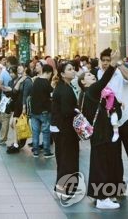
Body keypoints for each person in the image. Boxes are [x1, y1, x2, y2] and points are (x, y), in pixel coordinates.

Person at [98, 48, 128, 203]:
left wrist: (117, 63)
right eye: (103, 60)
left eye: (108, 60)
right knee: (114, 156)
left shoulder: (121, 70)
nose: (105, 63)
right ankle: (118, 186)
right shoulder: (100, 74)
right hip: (111, 121)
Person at [78, 50, 122, 209]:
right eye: (89, 76)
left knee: (98, 164)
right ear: (84, 83)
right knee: (101, 165)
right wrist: (113, 64)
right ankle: (103, 199)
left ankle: (99, 196)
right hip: (101, 133)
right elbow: (105, 79)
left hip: (99, 134)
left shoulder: (90, 94)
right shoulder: (92, 90)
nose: (93, 76)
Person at [51, 61, 80, 195]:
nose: (73, 71)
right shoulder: (64, 89)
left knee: (65, 157)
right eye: (69, 69)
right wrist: (77, 111)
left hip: (64, 128)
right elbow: (66, 111)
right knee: (66, 157)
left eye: (73, 69)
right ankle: (63, 187)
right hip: (65, 129)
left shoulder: (65, 87)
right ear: (62, 74)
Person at [29, 64, 54, 158]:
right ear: (49, 73)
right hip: (44, 111)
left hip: (34, 111)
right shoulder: (46, 83)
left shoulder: (36, 81)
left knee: (35, 132)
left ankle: (35, 151)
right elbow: (52, 94)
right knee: (46, 132)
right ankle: (47, 151)